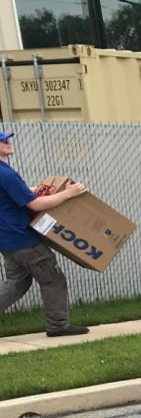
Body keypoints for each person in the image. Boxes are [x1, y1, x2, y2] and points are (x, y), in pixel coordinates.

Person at [0, 131, 91, 336]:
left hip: (6, 239)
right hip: (22, 238)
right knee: (53, 278)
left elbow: (18, 192)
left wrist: (43, 188)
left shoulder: (4, 174)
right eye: (2, 140)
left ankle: (57, 323)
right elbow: (35, 203)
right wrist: (69, 193)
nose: (7, 142)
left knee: (16, 282)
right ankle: (58, 325)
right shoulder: (5, 173)